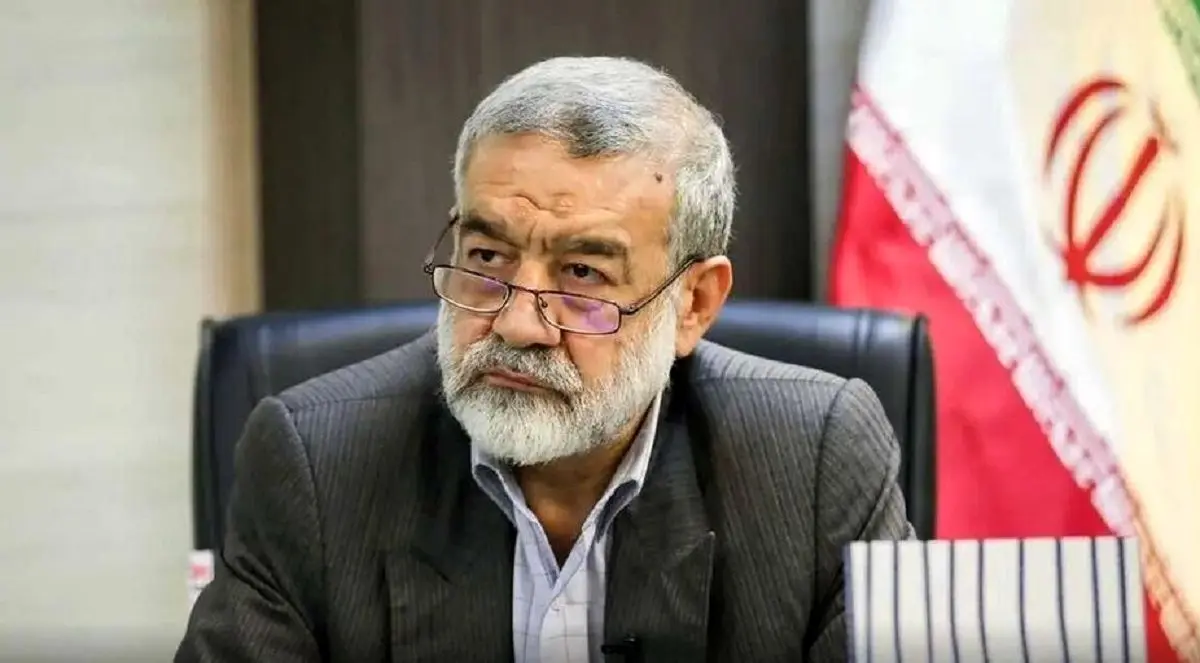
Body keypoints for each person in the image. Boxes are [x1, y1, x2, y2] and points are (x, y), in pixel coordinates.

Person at [176, 56, 913, 663]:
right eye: (486, 256)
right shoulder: (316, 463)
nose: (517, 322)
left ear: (693, 304)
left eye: (583, 274)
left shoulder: (814, 461)